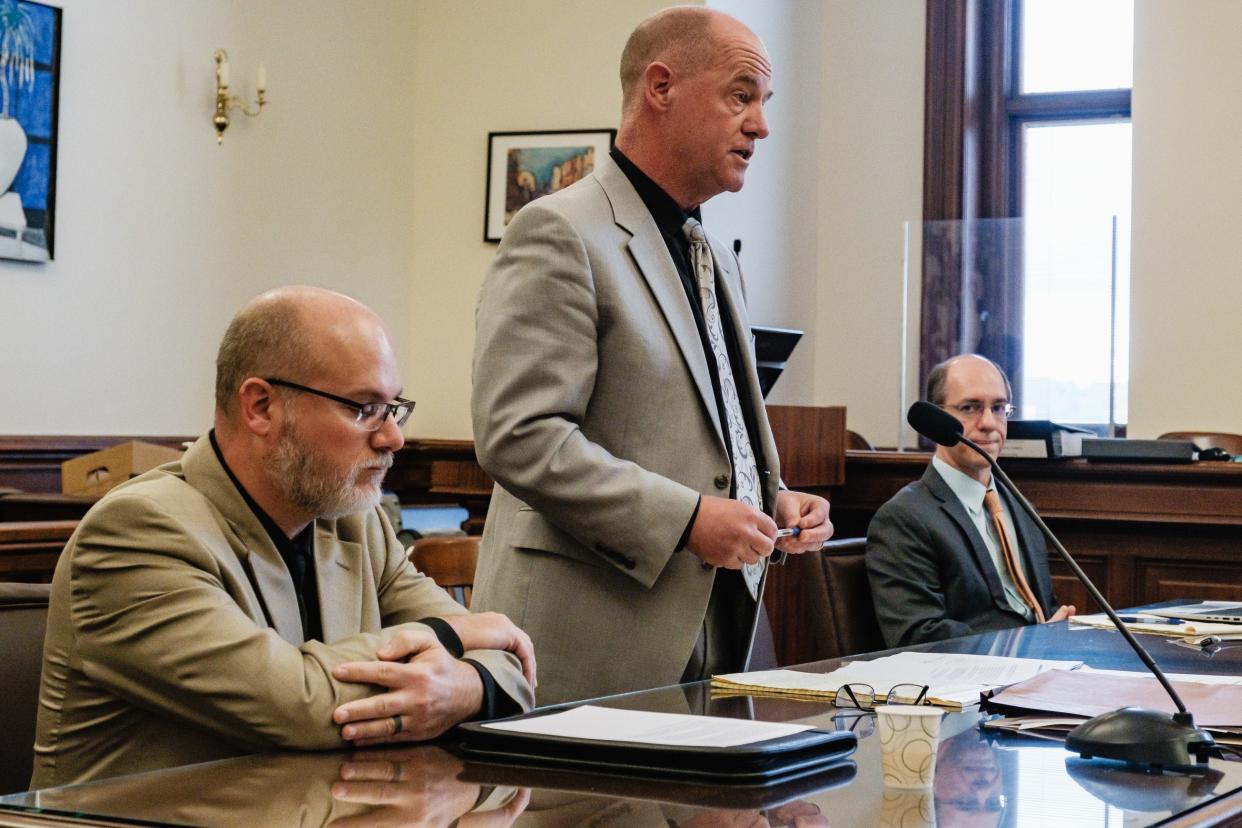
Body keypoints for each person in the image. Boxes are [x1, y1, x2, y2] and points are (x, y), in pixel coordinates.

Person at [470, 6, 832, 706]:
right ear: (661, 87)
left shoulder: (712, 254)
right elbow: (520, 436)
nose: (761, 124)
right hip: (589, 645)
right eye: (741, 95)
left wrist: (769, 498)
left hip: (718, 634)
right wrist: (688, 520)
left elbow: (700, 424)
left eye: (764, 103)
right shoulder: (559, 230)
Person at [32, 286, 535, 787]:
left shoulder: (355, 520)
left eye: (394, 408)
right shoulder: (135, 532)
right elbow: (300, 705)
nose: (393, 438)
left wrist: (467, 685)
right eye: (363, 408)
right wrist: (447, 639)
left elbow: (506, 661)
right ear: (261, 407)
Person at [866, 354, 1075, 647]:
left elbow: (1039, 610)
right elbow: (917, 635)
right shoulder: (904, 517)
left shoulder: (1019, 505)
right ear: (935, 421)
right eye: (970, 408)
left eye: (999, 408)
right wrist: (1027, 645)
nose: (989, 423)